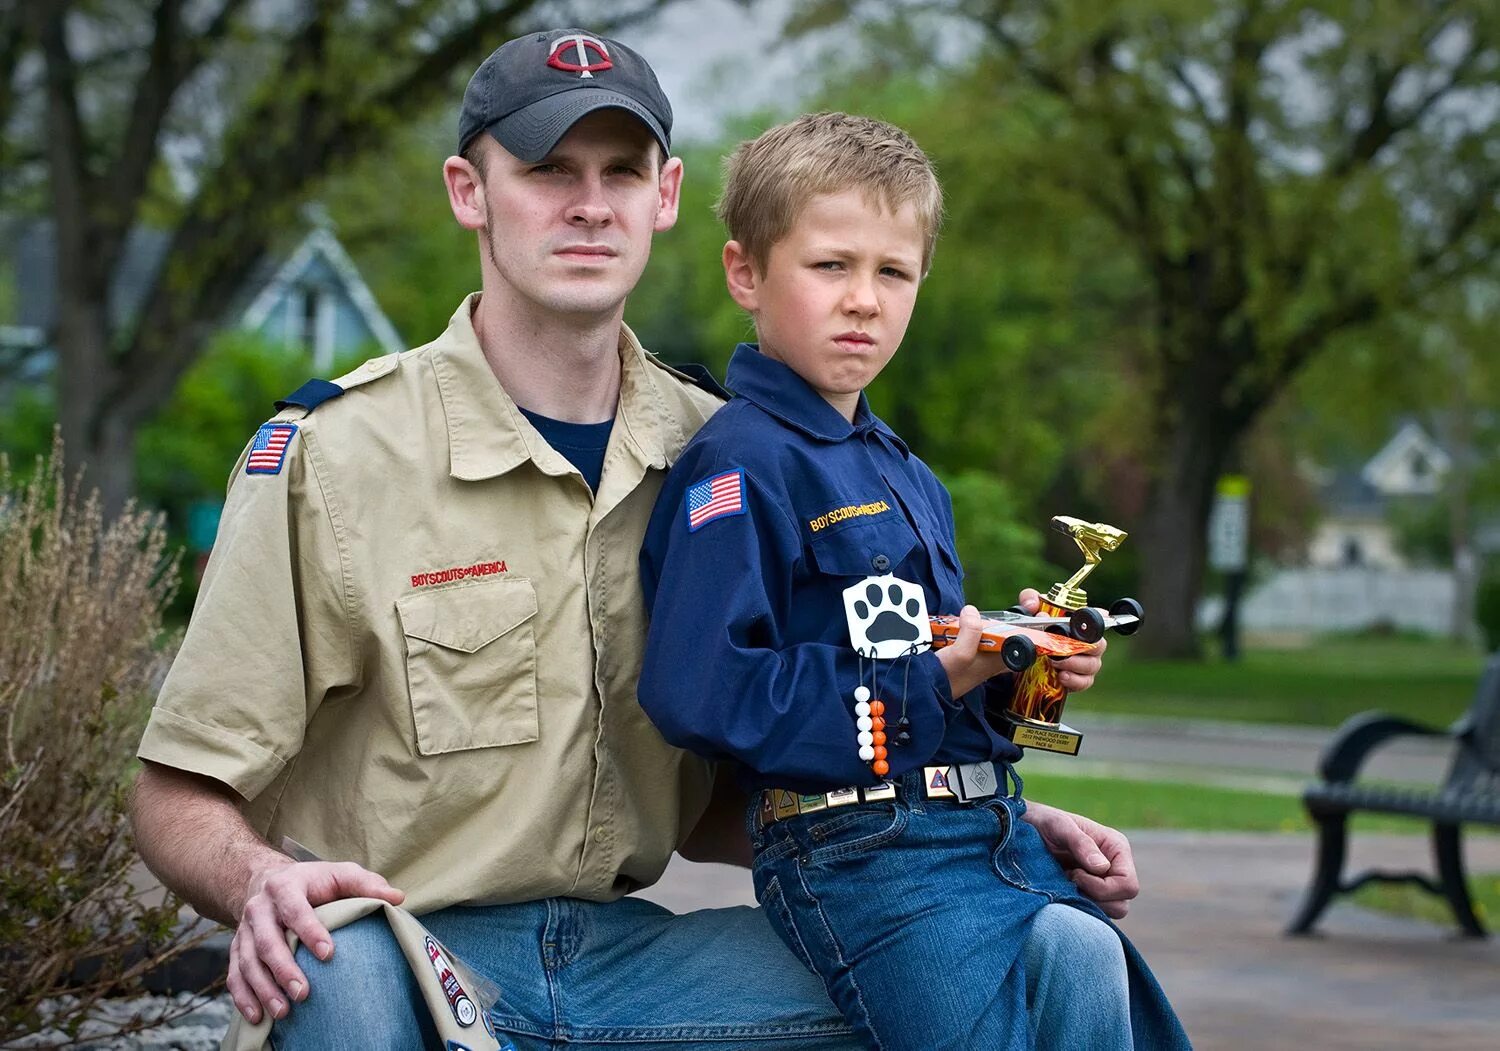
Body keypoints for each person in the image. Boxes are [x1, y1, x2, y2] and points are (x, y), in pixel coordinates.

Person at [128, 28, 1151, 1051]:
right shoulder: (334, 461)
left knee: (1052, 952)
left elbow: (751, 775)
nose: (588, 203)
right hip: (418, 949)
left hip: (640, 963)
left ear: (662, 198)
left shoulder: (731, 455)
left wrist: (967, 831)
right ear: (467, 190)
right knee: (331, 964)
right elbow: (179, 789)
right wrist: (262, 879)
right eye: (545, 170)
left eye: (621, 171)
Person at [637, 112, 1190, 1050]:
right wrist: (934, 678)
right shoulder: (737, 465)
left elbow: (915, 665)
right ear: (746, 274)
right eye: (830, 266)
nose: (864, 300)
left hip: (986, 829)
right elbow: (701, 686)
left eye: (892, 273)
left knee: (1112, 1002)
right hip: (858, 855)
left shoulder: (905, 472)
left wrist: (1016, 665)